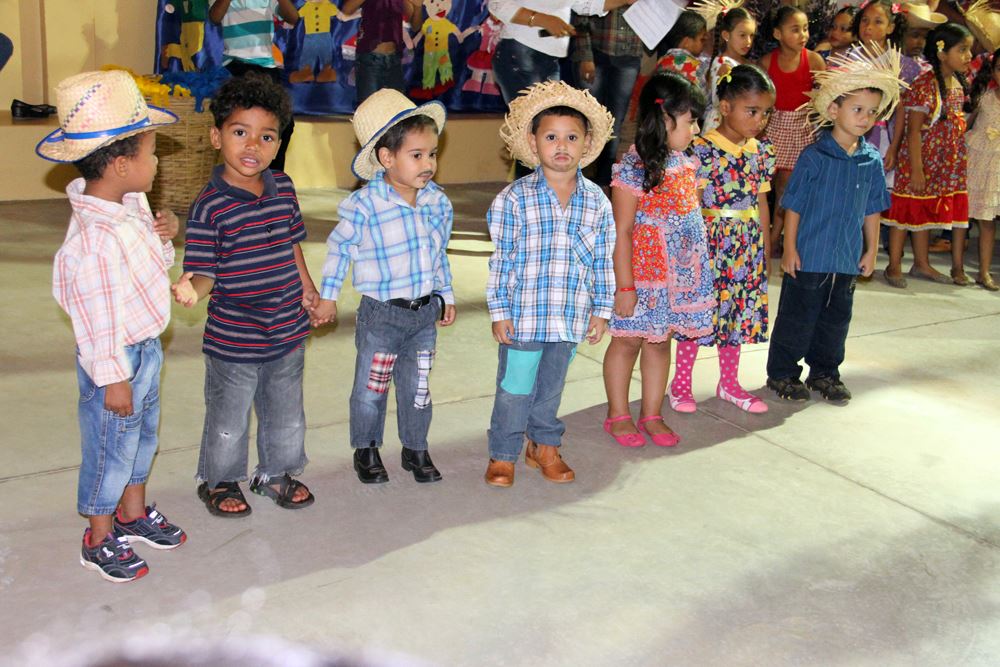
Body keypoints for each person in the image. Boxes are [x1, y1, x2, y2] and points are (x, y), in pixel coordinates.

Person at [41, 70, 186, 582]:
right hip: (117, 361)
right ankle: (99, 537)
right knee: (109, 448)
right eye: (151, 153)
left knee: (142, 438)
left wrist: (164, 236)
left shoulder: (129, 203)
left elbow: (150, 266)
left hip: (144, 348)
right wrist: (113, 375)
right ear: (123, 164)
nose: (157, 162)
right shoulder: (94, 239)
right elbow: (94, 315)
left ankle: (133, 512)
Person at [173, 74, 317, 516]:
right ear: (217, 137)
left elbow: (292, 243)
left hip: (287, 328)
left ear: (277, 144)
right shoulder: (209, 206)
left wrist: (308, 287)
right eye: (240, 132)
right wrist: (190, 289)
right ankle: (218, 481)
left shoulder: (284, 189)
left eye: (266, 136)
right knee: (228, 421)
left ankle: (275, 473)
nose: (252, 145)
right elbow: (204, 270)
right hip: (234, 336)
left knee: (286, 412)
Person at [312, 90, 456, 485]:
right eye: (417, 155)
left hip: (424, 312)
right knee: (371, 389)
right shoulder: (364, 205)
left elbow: (437, 252)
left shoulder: (437, 203)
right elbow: (340, 250)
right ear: (386, 158)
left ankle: (415, 447)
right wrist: (327, 298)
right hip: (382, 315)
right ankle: (367, 448)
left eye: (432, 153)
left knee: (418, 387)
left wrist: (446, 295)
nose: (428, 164)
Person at [485, 80, 615, 487]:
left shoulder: (597, 201)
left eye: (572, 137)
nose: (562, 145)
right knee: (515, 388)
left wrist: (601, 309)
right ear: (533, 141)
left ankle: (543, 445)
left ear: (587, 142)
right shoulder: (514, 199)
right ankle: (503, 452)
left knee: (551, 389)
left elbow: (601, 261)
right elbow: (501, 260)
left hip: (568, 318)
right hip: (524, 318)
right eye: (552, 137)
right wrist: (499, 311)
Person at [766, 46, 901, 403]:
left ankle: (825, 372)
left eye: (871, 112)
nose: (865, 118)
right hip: (809, 255)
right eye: (857, 109)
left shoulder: (870, 161)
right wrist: (790, 248)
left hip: (845, 259)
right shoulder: (814, 156)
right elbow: (792, 206)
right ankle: (782, 372)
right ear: (833, 109)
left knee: (835, 321)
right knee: (797, 317)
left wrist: (871, 250)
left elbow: (873, 209)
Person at [602, 73, 715, 448]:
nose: (697, 129)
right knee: (628, 343)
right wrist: (625, 287)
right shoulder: (632, 168)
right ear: (664, 119)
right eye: (691, 120)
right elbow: (622, 231)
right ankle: (618, 414)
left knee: (659, 342)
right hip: (643, 278)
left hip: (677, 280)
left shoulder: (686, 163)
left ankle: (651, 413)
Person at [674, 64, 776, 414]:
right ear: (727, 107)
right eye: (752, 111)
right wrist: (689, 253)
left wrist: (764, 247)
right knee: (699, 315)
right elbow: (691, 203)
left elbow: (762, 202)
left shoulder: (760, 153)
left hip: (746, 247)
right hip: (710, 243)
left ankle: (729, 383)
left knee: (736, 315)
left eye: (765, 112)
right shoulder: (701, 149)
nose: (759, 119)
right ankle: (681, 383)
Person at [488, 0, 636, 177]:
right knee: (532, 134)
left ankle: (541, 196)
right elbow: (497, 5)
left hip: (549, 60)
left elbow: (586, 4)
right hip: (520, 54)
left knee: (545, 132)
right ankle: (526, 198)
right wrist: (544, 20)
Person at [882, 22, 973, 286]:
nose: (968, 56)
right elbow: (913, 131)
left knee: (924, 212)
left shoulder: (956, 81)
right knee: (904, 213)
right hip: (919, 159)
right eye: (963, 50)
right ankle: (894, 265)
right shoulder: (925, 84)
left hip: (944, 161)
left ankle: (921, 264)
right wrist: (918, 168)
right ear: (942, 53)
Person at [760, 5, 825, 256]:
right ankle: (768, 235)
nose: (803, 35)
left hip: (800, 129)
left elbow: (825, 98)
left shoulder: (815, 60)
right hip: (772, 126)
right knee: (768, 185)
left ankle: (776, 237)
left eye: (805, 29)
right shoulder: (767, 62)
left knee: (787, 187)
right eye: (795, 30)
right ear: (777, 34)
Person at [209, 0, 300, 172]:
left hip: (266, 66)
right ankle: (241, 173)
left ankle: (273, 176)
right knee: (241, 121)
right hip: (236, 64)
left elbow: (294, 18)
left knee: (284, 124)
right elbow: (215, 16)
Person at [572, 5, 644, 187]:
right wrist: (585, 55)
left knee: (615, 123)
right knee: (587, 119)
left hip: (630, 56)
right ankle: (579, 176)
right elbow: (581, 15)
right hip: (597, 53)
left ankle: (604, 182)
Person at [954, 47, 999, 290]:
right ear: (993, 70)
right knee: (963, 217)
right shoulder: (983, 97)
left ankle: (984, 271)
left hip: (997, 169)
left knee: (988, 220)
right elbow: (966, 125)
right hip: (976, 161)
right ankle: (957, 267)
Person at [343, 0, 425, 103]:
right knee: (370, 109)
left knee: (396, 109)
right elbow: (347, 9)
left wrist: (418, 7)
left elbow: (415, 25)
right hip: (370, 58)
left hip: (394, 59)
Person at [702, 4, 758, 133]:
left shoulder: (747, 62)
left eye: (752, 35)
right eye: (742, 35)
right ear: (726, 35)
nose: (748, 42)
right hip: (723, 126)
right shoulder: (723, 65)